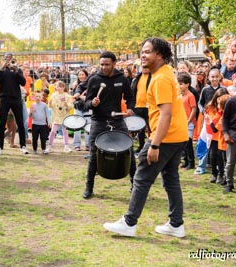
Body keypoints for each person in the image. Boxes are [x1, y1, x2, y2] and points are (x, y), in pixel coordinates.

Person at [103, 38, 188, 238]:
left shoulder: (160, 79)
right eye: (142, 51)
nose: (142, 55)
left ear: (159, 54)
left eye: (147, 51)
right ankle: (176, 224)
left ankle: (129, 222)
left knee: (141, 178)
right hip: (178, 135)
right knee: (170, 179)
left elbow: (165, 114)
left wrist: (155, 144)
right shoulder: (166, 73)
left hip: (165, 137)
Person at [81, 51, 136, 199]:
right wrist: (92, 103)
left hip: (117, 121)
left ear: (114, 64)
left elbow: (130, 97)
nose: (104, 67)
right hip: (98, 121)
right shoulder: (94, 80)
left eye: (107, 64)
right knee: (93, 155)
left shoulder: (122, 79)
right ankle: (89, 188)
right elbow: (85, 103)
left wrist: (130, 108)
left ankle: (135, 186)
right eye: (102, 64)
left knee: (129, 152)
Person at [0, 52, 28, 155]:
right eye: (6, 58)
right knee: (1, 123)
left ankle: (23, 145)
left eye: (10, 58)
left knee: (20, 122)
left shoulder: (17, 70)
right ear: (4, 59)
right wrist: (2, 68)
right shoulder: (1, 70)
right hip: (3, 99)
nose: (8, 60)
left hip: (16, 99)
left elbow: (23, 82)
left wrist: (16, 71)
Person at [46, 81, 73, 153]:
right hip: (56, 116)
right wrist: (50, 102)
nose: (60, 88)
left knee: (65, 131)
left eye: (61, 87)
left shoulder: (67, 96)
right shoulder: (53, 95)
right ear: (56, 87)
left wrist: (65, 103)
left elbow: (71, 106)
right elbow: (50, 106)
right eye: (58, 86)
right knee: (53, 131)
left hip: (64, 115)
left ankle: (66, 146)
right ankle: (49, 146)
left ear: (64, 87)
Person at [177, 72, 196, 170]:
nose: (179, 86)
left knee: (188, 143)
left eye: (181, 84)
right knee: (183, 143)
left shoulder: (190, 95)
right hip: (181, 122)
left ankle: (191, 163)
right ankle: (186, 161)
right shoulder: (180, 95)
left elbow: (194, 108)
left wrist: (189, 120)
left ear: (187, 84)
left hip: (189, 123)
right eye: (178, 83)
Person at [131, 66, 151, 156]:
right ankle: (141, 146)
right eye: (143, 67)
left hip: (149, 107)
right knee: (140, 129)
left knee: (150, 127)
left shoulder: (153, 77)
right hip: (138, 106)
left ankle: (151, 146)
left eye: (147, 67)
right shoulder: (137, 78)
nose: (145, 69)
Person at [71, 69, 90, 151]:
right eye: (80, 75)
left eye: (83, 74)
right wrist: (73, 89)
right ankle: (77, 144)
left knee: (88, 126)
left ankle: (88, 144)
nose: (81, 76)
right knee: (77, 126)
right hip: (78, 107)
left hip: (87, 108)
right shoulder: (75, 84)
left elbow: (89, 98)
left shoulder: (90, 84)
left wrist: (81, 96)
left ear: (86, 75)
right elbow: (73, 97)